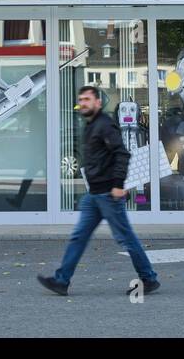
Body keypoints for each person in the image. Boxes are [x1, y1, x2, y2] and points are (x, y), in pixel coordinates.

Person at [38, 85, 160, 296]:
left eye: (87, 99)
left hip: (108, 195)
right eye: (81, 100)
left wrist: (118, 185)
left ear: (98, 103)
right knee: (79, 237)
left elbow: (122, 154)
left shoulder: (105, 125)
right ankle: (61, 281)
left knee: (126, 239)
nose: (83, 103)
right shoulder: (91, 125)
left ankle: (148, 278)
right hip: (93, 195)